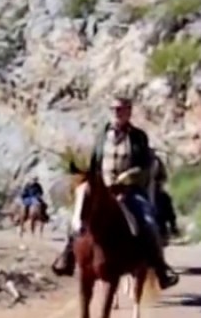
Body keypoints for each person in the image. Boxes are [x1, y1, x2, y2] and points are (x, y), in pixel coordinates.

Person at [51, 95, 179, 290]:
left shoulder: (138, 137)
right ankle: (67, 257)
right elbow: (95, 163)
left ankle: (161, 269)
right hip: (102, 189)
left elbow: (146, 166)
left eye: (121, 109)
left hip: (130, 190)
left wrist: (129, 176)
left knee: (148, 220)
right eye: (113, 109)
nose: (116, 113)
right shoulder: (102, 136)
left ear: (129, 112)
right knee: (78, 216)